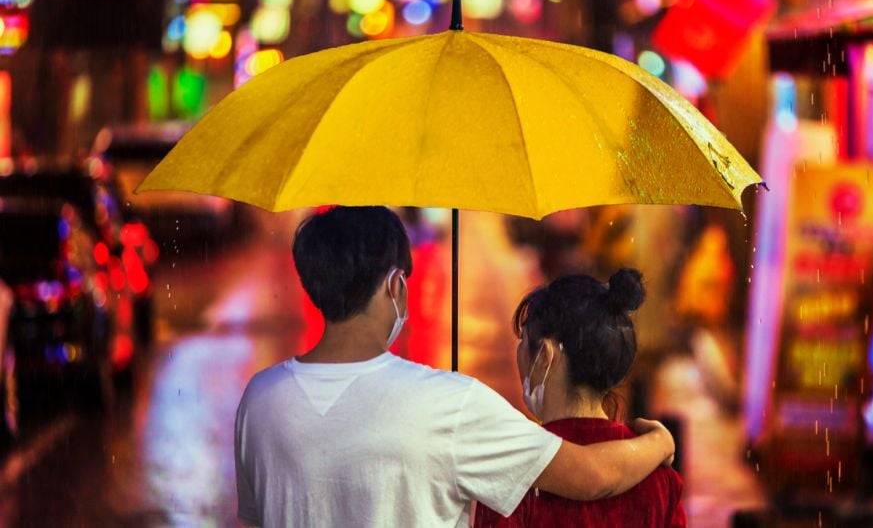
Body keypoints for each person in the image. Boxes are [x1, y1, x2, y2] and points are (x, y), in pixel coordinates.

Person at [235, 206, 675, 527]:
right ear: (395, 286)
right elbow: (591, 475)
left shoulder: (259, 400)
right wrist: (658, 444)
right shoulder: (450, 404)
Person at [474, 269, 687, 527]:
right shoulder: (659, 477)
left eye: (523, 341)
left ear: (544, 355)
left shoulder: (513, 476)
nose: (519, 353)